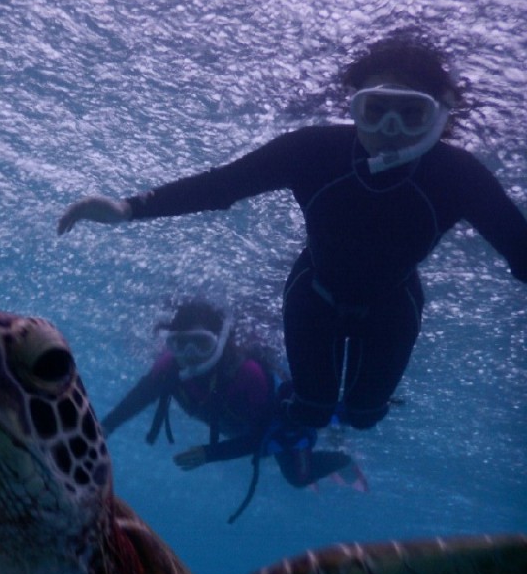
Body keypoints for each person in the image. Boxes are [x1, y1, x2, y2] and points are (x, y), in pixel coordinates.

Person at [58, 30, 527, 431]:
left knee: (364, 416)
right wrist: (127, 209)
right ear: (354, 108)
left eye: (411, 113)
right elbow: (225, 185)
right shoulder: (314, 151)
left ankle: (348, 420)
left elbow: (519, 248)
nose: (389, 128)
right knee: (312, 412)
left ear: (439, 118)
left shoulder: (458, 175)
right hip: (313, 297)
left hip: (393, 308)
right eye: (374, 109)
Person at [101, 299, 365, 521]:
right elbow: (138, 398)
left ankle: (343, 457)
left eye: (201, 344)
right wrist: (106, 426)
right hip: (243, 428)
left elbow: (258, 439)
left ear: (220, 342)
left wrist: (209, 453)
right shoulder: (169, 367)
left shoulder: (247, 375)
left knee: (298, 477)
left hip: (277, 426)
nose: (190, 354)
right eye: (180, 344)